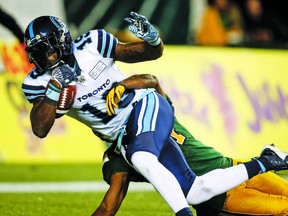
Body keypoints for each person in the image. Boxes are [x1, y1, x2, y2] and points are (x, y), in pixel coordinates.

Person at [21, 13, 288, 216]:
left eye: (50, 50)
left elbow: (151, 78)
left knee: (147, 158)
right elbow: (41, 128)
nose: (46, 59)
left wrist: (151, 41)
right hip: (210, 190)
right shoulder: (120, 153)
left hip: (155, 122)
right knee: (193, 191)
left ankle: (264, 162)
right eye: (39, 55)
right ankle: (267, 160)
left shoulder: (93, 44)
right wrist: (55, 89)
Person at [93, 74, 288, 216]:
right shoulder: (124, 153)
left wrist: (122, 84)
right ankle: (267, 159)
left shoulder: (151, 111)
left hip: (234, 167)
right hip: (219, 197)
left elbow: (151, 80)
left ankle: (268, 159)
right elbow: (109, 206)